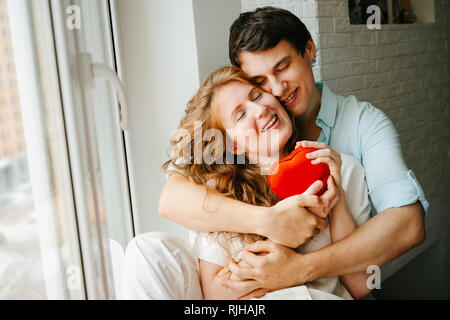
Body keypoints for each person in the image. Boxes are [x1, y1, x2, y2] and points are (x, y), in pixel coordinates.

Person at [158, 7, 428, 298]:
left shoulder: (362, 130)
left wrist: (297, 269)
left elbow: (408, 225)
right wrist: (268, 221)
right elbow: (171, 198)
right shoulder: (231, 161)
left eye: (283, 66)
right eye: (259, 82)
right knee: (150, 249)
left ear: (309, 49)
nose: (276, 90)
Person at [164, 66, 373, 299]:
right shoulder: (217, 195)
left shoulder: (342, 167)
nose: (260, 109)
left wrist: (337, 200)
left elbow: (360, 285)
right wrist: (281, 244)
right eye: (241, 115)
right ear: (232, 145)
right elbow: (217, 296)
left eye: (257, 96)